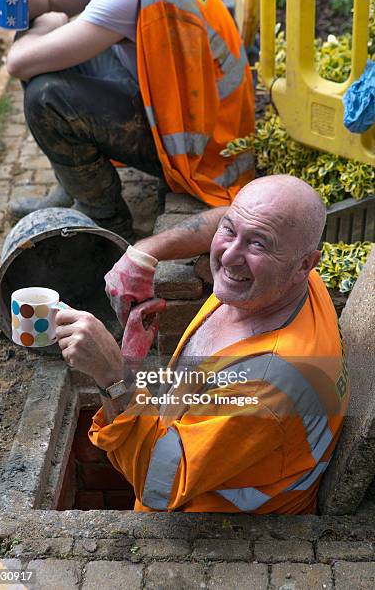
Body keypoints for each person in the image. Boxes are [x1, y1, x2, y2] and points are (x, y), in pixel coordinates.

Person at [55, 175, 349, 513]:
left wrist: (113, 376)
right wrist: (144, 252)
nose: (228, 257)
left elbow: (157, 485)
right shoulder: (285, 280)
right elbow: (235, 218)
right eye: (230, 231)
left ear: (305, 264)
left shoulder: (266, 385)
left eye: (258, 244)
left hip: (216, 535)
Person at [0, 0, 255, 240]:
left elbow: (19, 63)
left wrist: (47, 24)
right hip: (181, 104)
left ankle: (103, 217)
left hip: (199, 144)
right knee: (52, 57)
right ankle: (73, 188)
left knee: (45, 98)